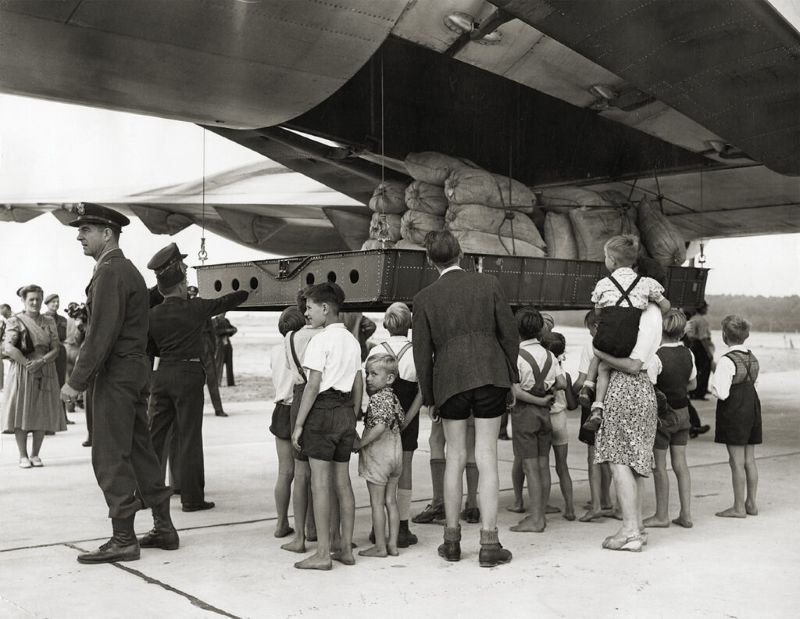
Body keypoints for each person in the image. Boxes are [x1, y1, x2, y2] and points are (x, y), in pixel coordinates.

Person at [60, 203, 175, 564]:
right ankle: (164, 527)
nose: (79, 236)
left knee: (110, 455)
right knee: (141, 451)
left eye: (86, 230)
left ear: (107, 233)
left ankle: (124, 538)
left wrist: (75, 382)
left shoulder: (111, 271)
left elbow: (100, 335)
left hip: (115, 375)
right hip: (134, 372)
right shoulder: (124, 269)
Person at [412, 230, 518, 567]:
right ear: (461, 254)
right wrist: (509, 375)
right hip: (489, 374)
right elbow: (509, 334)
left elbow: (421, 353)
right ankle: (489, 543)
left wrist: (430, 397)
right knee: (486, 455)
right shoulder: (489, 284)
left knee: (454, 456)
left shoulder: (425, 298)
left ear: (431, 261)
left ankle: (452, 541)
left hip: (450, 380)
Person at [146, 243, 249, 514]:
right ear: (182, 285)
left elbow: (149, 349)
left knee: (155, 436)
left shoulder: (152, 315)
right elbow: (228, 300)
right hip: (189, 374)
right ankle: (191, 498)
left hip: (162, 374)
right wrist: (249, 287)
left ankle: (146, 493)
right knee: (189, 437)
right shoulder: (196, 308)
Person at [592, 257, 666, 552]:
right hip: (646, 391)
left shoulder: (641, 313)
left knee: (617, 460)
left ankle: (630, 531)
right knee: (636, 462)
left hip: (625, 388)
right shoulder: (656, 312)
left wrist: (601, 355)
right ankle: (638, 527)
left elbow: (633, 364)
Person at [291, 282, 362, 570]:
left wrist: (298, 425)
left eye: (309, 308)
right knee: (343, 483)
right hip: (346, 411)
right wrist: (352, 416)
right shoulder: (352, 341)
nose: (306, 314)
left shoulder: (319, 341)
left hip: (322, 411)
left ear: (324, 308)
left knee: (320, 484)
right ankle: (345, 548)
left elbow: (313, 385)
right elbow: (358, 383)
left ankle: (322, 553)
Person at [580, 235, 670, 432]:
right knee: (605, 366)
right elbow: (665, 304)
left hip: (606, 340)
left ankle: (595, 402)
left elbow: (597, 312)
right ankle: (595, 404)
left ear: (611, 260)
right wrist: (657, 308)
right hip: (628, 342)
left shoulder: (603, 284)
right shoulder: (646, 283)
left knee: (602, 365)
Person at [366, 302, 422, 547]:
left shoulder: (375, 350)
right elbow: (423, 390)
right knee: (404, 470)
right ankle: (402, 528)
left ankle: (376, 528)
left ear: (387, 324)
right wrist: (408, 418)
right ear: (409, 323)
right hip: (408, 416)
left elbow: (368, 384)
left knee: (379, 471)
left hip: (379, 416)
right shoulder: (418, 351)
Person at [507, 307, 562, 533]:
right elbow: (562, 383)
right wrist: (546, 393)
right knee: (541, 465)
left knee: (529, 467)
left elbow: (516, 392)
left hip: (525, 414)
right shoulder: (549, 354)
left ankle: (536, 519)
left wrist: (537, 400)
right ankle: (539, 514)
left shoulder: (516, 356)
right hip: (545, 415)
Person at [2, 284, 66, 467]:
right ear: (23, 301)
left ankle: (35, 454)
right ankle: (23, 455)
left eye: (38, 299)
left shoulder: (49, 321)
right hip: (23, 368)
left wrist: (42, 362)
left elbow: (56, 348)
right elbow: (8, 347)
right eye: (31, 299)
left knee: (42, 410)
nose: (35, 303)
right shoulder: (15, 320)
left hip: (45, 367)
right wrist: (27, 364)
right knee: (21, 410)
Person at [644, 309, 696, 529]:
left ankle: (661, 515)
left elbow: (648, 387)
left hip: (664, 416)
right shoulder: (688, 354)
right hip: (684, 412)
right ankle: (686, 514)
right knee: (681, 465)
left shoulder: (656, 356)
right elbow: (692, 384)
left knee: (660, 466)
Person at [281, 291, 321, 555]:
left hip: (298, 398)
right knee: (324, 471)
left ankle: (300, 537)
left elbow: (290, 368)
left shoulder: (289, 337)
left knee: (301, 470)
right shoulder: (324, 336)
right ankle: (321, 530)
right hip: (320, 397)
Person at [711, 315, 761, 518]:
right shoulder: (752, 357)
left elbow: (722, 392)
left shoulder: (726, 360)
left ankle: (738, 507)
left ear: (724, 336)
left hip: (735, 410)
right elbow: (754, 383)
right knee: (750, 459)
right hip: (752, 407)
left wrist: (714, 386)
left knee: (735, 461)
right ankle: (751, 503)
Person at [357, 353, 405, 558]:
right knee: (391, 501)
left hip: (379, 456)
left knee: (377, 503)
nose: (368, 378)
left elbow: (379, 427)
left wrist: (360, 443)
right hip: (396, 454)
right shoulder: (394, 397)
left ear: (390, 378)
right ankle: (393, 544)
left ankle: (379, 547)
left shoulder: (377, 399)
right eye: (367, 373)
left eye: (374, 374)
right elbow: (400, 421)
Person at [573, 310, 614, 523]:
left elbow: (581, 381)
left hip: (593, 403)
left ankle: (596, 503)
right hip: (613, 401)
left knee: (593, 457)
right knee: (608, 455)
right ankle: (607, 500)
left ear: (595, 326)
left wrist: (571, 392)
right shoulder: (619, 342)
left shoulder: (592, 345)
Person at [269, 307, 307, 538]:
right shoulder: (304, 347)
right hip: (299, 408)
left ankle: (281, 522)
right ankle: (308, 526)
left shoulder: (275, 350)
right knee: (305, 472)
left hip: (280, 409)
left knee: (284, 472)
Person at [543, 331, 577, 521]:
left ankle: (544, 504)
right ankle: (570, 507)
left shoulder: (542, 371)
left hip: (545, 417)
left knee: (543, 465)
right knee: (562, 466)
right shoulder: (566, 375)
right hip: (561, 420)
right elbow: (572, 405)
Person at [188, 285, 227, 417]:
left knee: (212, 379)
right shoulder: (183, 309)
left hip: (205, 345)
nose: (192, 297)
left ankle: (218, 409)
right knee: (193, 381)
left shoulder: (202, 308)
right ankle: (195, 410)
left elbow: (211, 330)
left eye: (194, 295)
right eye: (190, 295)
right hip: (192, 346)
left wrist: (213, 348)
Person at [43, 293, 72, 424]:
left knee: (61, 383)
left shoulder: (63, 319)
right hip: (47, 353)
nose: (56, 304)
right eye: (53, 302)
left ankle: (62, 417)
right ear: (47, 304)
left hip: (60, 353)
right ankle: (47, 419)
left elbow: (66, 336)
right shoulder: (41, 318)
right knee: (47, 384)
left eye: (57, 302)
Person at [686, 301, 714, 401]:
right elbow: (703, 338)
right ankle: (700, 393)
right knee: (704, 369)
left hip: (693, 345)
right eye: (705, 308)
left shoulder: (692, 319)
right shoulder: (702, 321)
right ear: (702, 309)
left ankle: (693, 392)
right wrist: (709, 352)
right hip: (700, 346)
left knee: (695, 369)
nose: (707, 310)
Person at [214, 312, 237, 387]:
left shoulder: (226, 321)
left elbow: (233, 329)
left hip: (227, 344)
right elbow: (216, 331)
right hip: (219, 345)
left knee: (229, 364)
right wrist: (227, 331)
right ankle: (217, 382)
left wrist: (230, 331)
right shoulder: (214, 321)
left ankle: (231, 383)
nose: (224, 314)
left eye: (224, 313)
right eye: (222, 312)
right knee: (218, 364)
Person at [0, 303, 12, 389]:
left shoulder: (15, 319)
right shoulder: (4, 321)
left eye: (4, 314)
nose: (3, 316)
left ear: (9, 310)